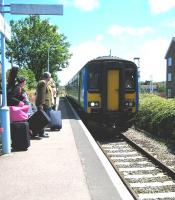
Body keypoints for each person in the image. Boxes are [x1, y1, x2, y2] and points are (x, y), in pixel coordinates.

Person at [35, 71, 52, 137]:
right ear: (47, 77)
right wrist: (41, 105)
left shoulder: (44, 82)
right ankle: (41, 133)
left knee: (42, 119)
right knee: (42, 119)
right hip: (43, 104)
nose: (50, 78)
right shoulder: (43, 83)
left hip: (45, 104)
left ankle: (42, 132)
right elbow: (41, 95)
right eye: (50, 77)